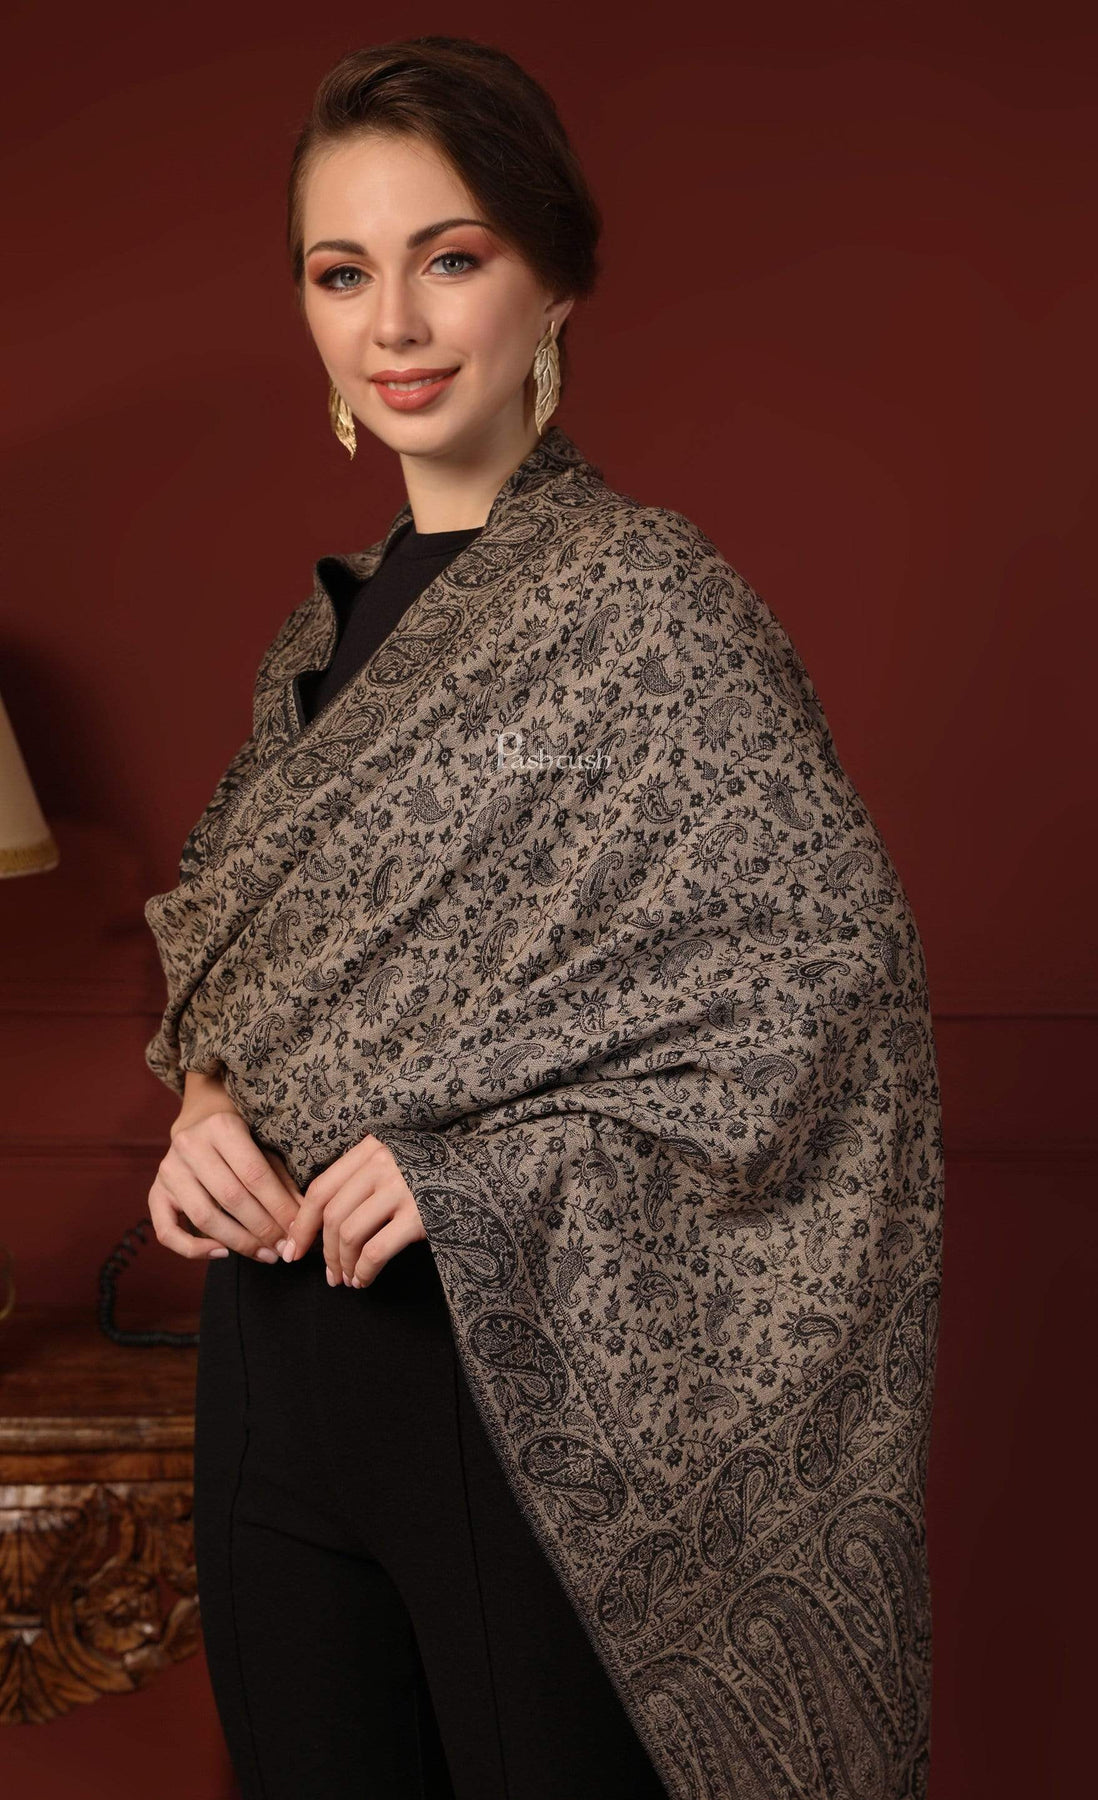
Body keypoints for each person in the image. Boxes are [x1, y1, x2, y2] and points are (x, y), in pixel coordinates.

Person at [144, 36, 943, 1800]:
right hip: (271, 1373)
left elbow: (821, 1003)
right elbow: (251, 972)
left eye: (450, 257)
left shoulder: (648, 609)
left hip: (506, 1391)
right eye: (340, 273)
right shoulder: (318, 639)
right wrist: (202, 1112)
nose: (394, 324)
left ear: (554, 279)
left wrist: (481, 1175)